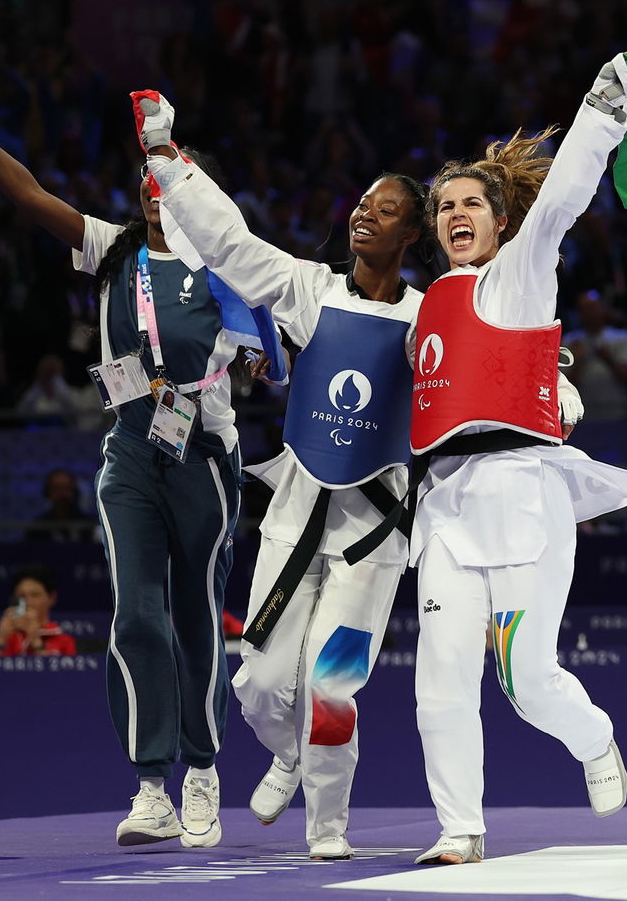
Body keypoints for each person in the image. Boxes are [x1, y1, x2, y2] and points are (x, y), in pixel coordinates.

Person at [0, 65, 265, 849]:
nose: (153, 186)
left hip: (204, 459)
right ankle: (151, 787)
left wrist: (256, 353)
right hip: (130, 456)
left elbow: (263, 346)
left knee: (196, 616)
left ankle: (204, 773)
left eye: (169, 174)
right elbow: (31, 196)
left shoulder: (228, 268)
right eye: (145, 176)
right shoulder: (113, 253)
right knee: (134, 614)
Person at [144, 91, 455, 860]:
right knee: (257, 684)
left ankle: (329, 825)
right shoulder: (307, 291)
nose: (362, 216)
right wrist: (167, 158)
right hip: (291, 522)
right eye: (360, 205)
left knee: (331, 689)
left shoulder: (430, 318)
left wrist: (563, 390)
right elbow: (228, 242)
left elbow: (490, 362)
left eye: (383, 212)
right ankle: (286, 754)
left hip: (372, 541)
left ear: (412, 233)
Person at [380, 57, 627, 866]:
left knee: (529, 683)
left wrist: (602, 109)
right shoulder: (425, 306)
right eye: (445, 207)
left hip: (525, 496)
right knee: (440, 681)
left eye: (471, 203)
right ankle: (460, 828)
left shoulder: (523, 273)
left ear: (499, 221)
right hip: (448, 509)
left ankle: (596, 740)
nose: (457, 213)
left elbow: (563, 198)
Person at [560, 290, 627, 421]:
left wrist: (608, 358)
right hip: (583, 415)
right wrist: (579, 360)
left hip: (616, 412)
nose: (589, 313)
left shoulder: (622, 337)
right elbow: (563, 385)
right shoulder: (570, 341)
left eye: (592, 308)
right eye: (584, 309)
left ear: (603, 309)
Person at [0, 564, 78, 657]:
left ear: (52, 598)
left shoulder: (64, 641)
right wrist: (1, 640)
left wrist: (36, 640)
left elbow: (62, 678)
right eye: (21, 596)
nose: (28, 602)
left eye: (35, 595)